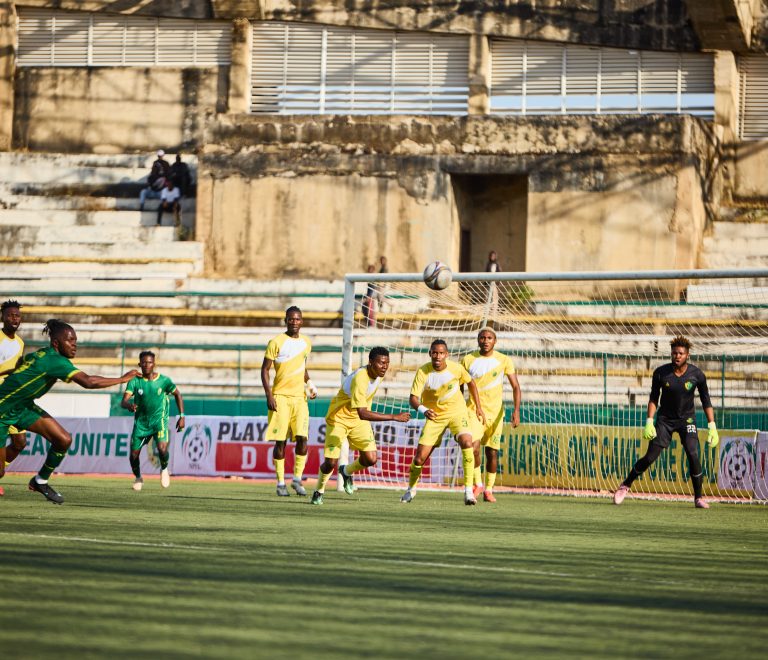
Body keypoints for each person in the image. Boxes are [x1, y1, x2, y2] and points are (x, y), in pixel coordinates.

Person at [0, 319, 138, 504]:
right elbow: (88, 382)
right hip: (2, 408)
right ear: (56, 343)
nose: (75, 345)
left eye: (75, 340)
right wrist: (122, 379)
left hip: (21, 406)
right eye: (70, 340)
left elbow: (22, 362)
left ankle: (40, 481)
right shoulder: (55, 361)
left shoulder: (44, 354)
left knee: (63, 439)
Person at [614, 335, 719, 509]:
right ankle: (625, 485)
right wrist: (649, 421)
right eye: (674, 353)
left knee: (693, 454)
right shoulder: (661, 373)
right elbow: (653, 398)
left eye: (681, 353)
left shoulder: (697, 375)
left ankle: (698, 498)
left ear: (687, 355)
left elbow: (706, 400)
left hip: (688, 420)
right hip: (665, 420)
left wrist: (712, 426)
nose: (677, 356)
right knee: (650, 457)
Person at [311, 347, 410, 505]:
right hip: (339, 419)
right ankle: (319, 490)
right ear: (371, 362)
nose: (385, 366)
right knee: (330, 462)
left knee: (371, 459)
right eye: (381, 363)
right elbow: (363, 413)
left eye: (387, 363)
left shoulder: (379, 375)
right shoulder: (360, 378)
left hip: (357, 421)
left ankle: (346, 471)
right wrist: (393, 417)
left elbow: (362, 412)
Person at [401, 339, 486, 505]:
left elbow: (470, 383)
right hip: (434, 416)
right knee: (419, 459)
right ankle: (411, 489)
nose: (437, 356)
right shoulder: (423, 372)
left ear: (446, 355)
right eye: (434, 353)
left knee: (467, 442)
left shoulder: (456, 368)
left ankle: (469, 491)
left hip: (457, 413)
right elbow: (413, 399)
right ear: (430, 354)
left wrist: (478, 407)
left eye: (441, 353)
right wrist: (424, 410)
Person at [261, 306, 317, 496]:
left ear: (302, 321)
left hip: (300, 399)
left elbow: (302, 367)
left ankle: (297, 479)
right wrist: (269, 395)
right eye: (291, 319)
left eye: (297, 319)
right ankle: (280, 483)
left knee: (303, 439)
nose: (294, 322)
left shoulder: (306, 343)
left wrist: (309, 384)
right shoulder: (276, 342)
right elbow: (264, 370)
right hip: (280, 398)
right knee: (281, 442)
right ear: (285, 320)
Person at [461, 327, 521, 502]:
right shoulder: (467, 359)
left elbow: (516, 386)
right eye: (482, 337)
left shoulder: (504, 360)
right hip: (473, 411)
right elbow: (460, 386)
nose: (485, 341)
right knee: (473, 447)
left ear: (495, 341)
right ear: (477, 340)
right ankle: (478, 483)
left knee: (492, 453)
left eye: (489, 338)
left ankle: (488, 489)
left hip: (495, 413)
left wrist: (516, 411)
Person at [121, 351, 185, 491]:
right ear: (139, 364)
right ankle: (138, 477)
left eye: (149, 362)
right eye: (143, 362)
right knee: (133, 456)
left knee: (162, 449)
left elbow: (177, 394)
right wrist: (129, 406)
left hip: (159, 422)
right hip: (141, 424)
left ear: (154, 364)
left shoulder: (164, 381)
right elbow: (123, 401)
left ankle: (164, 468)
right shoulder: (135, 381)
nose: (146, 365)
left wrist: (182, 416)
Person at [0, 300, 26, 496]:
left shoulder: (20, 343)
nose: (14, 319)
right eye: (10, 315)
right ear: (3, 317)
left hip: (13, 399)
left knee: (20, 442)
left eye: (17, 315)